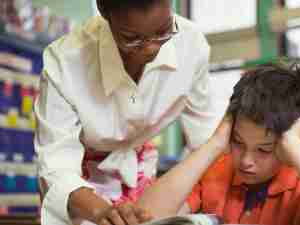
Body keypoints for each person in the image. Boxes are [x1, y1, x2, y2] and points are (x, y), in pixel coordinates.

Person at [34, 0, 227, 224]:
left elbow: (205, 140)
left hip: (140, 171)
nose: (151, 48)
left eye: (163, 32)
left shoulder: (191, 46)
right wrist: (102, 212)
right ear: (104, 12)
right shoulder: (65, 61)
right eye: (131, 39)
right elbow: (56, 168)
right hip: (81, 185)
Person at [175, 62, 300, 225]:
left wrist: (295, 144)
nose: (246, 161)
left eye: (264, 149)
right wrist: (214, 144)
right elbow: (148, 214)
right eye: (238, 142)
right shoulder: (215, 172)